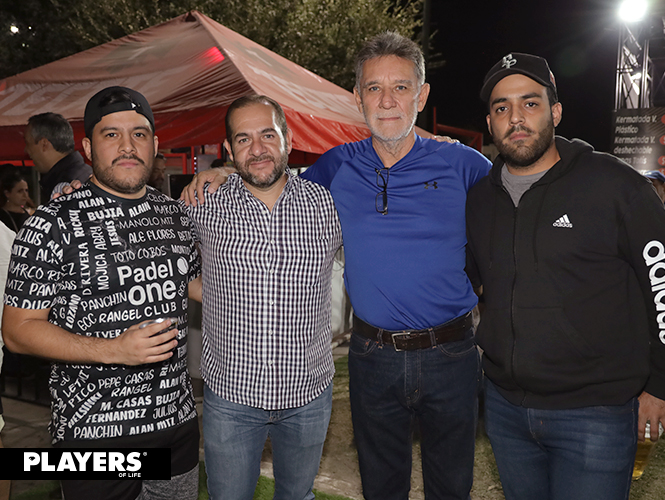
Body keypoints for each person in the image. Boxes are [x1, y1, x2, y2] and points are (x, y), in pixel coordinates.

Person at [183, 32, 491, 500]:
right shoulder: (335, 168)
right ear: (357, 98)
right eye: (373, 88)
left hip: (451, 353)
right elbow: (271, 178)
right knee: (380, 487)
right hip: (372, 356)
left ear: (422, 94)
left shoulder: (464, 164)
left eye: (401, 87)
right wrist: (224, 171)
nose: (386, 100)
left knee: (452, 488)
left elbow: (513, 216)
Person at [466, 52, 665, 500]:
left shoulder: (616, 186)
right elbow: (479, 284)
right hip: (506, 409)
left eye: (530, 103)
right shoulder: (479, 200)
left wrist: (660, 386)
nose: (516, 118)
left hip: (596, 414)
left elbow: (662, 286)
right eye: (502, 108)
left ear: (555, 112)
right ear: (490, 122)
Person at [3, 86, 201, 500]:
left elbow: (196, 285)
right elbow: (18, 330)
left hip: (177, 426)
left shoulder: (177, 216)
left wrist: (227, 174)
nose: (128, 146)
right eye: (112, 134)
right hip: (94, 436)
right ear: (88, 148)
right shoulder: (50, 223)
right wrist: (114, 350)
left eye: (139, 134)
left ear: (155, 146)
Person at [184, 95, 342, 500]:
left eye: (268, 135)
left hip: (308, 393)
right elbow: (162, 259)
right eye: (243, 139)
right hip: (231, 396)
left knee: (297, 496)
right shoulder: (202, 205)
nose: (257, 149)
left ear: (288, 138)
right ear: (228, 148)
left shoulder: (327, 205)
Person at [23, 112, 92, 201]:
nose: (26, 150)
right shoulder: (84, 172)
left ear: (44, 144)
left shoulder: (67, 186)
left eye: (28, 143)